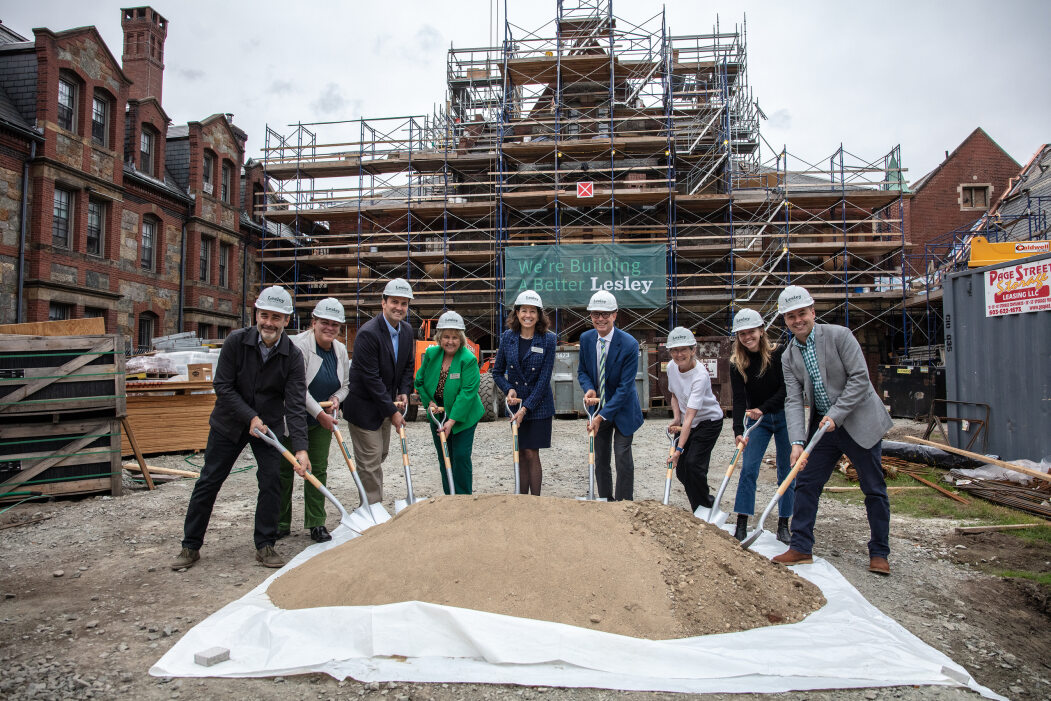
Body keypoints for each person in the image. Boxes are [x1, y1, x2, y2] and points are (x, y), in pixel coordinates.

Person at [170, 286, 310, 570]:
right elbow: (222, 385)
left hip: (268, 428)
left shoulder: (292, 356)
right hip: (229, 423)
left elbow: (295, 404)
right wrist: (249, 417)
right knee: (209, 481)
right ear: (256, 314)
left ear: (287, 321)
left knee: (272, 481)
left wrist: (301, 448)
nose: (268, 322)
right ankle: (190, 546)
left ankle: (265, 544)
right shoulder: (236, 341)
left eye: (276, 317)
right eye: (264, 315)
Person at [773, 285, 894, 575]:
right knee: (806, 483)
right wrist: (797, 443)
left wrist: (836, 415)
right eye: (791, 317)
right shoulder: (789, 356)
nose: (797, 320)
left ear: (813, 312)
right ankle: (801, 547)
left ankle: (879, 553)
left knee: (873, 487)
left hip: (858, 420)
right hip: (824, 429)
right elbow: (792, 400)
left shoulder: (840, 336)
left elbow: (860, 380)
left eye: (802, 313)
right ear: (785, 321)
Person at [281, 298, 350, 543]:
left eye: (335, 324)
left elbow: (345, 385)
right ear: (314, 322)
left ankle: (316, 522)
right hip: (294, 416)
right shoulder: (297, 346)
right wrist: (319, 414)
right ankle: (280, 522)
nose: (329, 328)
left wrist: (336, 398)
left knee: (317, 470)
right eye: (324, 323)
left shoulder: (340, 350)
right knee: (285, 469)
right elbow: (297, 389)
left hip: (323, 418)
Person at [344, 278, 415, 504]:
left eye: (404, 303)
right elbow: (370, 379)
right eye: (394, 302)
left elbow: (407, 365)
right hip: (364, 407)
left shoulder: (406, 331)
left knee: (379, 454)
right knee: (370, 460)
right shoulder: (369, 334)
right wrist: (393, 412)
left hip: (384, 405)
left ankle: (369, 501)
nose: (399, 308)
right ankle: (372, 509)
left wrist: (404, 390)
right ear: (383, 303)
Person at [728, 308, 793, 544]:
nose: (747, 337)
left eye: (751, 332)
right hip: (757, 422)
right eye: (742, 334)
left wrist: (764, 408)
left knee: (786, 471)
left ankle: (784, 523)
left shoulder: (779, 354)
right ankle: (742, 522)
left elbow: (786, 390)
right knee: (748, 469)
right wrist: (737, 430)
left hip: (783, 416)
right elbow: (738, 398)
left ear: (761, 331)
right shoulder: (737, 363)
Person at [576, 290, 644, 501]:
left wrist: (600, 416)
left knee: (622, 457)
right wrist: (589, 388)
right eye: (596, 314)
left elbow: (625, 388)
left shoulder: (629, 344)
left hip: (623, 409)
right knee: (601, 459)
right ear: (590, 317)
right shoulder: (586, 339)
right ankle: (606, 502)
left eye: (606, 314)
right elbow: (583, 372)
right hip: (598, 407)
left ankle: (623, 505)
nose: (600, 319)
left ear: (615, 315)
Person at [492, 290, 557, 495]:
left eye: (532, 311)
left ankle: (535, 502)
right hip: (515, 404)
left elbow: (544, 379)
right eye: (523, 311)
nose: (527, 315)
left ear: (539, 315)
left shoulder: (548, 340)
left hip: (538, 405)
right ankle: (521, 503)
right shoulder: (507, 337)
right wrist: (508, 389)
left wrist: (525, 409)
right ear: (516, 313)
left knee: (531, 452)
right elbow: (497, 372)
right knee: (519, 453)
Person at [413, 310, 484, 495]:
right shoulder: (432, 354)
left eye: (454, 337)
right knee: (444, 456)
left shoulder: (468, 360)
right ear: (439, 338)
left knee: (460, 456)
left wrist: (451, 421)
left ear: (461, 339)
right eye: (446, 337)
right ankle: (449, 497)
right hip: (438, 413)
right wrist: (429, 403)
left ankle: (463, 497)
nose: (450, 341)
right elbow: (419, 381)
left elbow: (467, 392)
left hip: (463, 416)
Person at [665, 327, 723, 512]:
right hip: (688, 421)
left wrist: (679, 450)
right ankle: (699, 508)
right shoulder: (671, 367)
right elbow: (674, 394)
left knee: (693, 465)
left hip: (708, 421)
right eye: (674, 350)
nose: (678, 354)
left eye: (683, 349)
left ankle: (706, 505)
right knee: (682, 471)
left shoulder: (700, 376)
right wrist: (676, 418)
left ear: (693, 350)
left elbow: (690, 418)